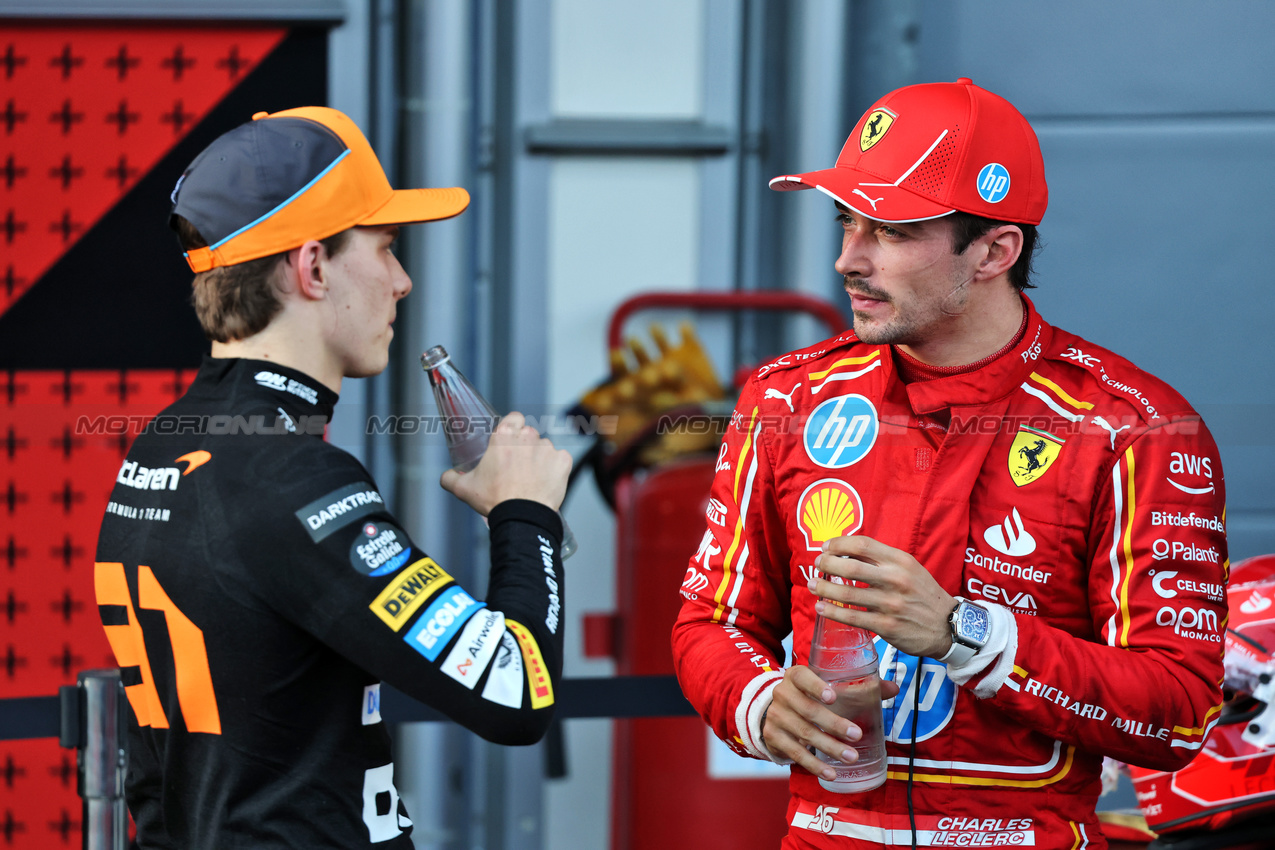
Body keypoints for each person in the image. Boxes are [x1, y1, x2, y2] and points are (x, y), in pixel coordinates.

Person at [671, 78, 1229, 848]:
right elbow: (711, 622)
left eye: (892, 233)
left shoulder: (1133, 428)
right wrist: (759, 701)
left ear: (995, 249)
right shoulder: (785, 397)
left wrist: (965, 635)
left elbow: (1181, 713)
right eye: (846, 222)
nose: (846, 259)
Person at [93, 106, 572, 849]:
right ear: (311, 266)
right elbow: (515, 692)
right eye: (383, 249)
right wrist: (524, 515)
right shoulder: (294, 478)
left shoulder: (164, 444)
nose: (403, 281)